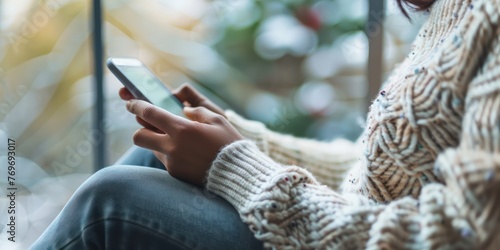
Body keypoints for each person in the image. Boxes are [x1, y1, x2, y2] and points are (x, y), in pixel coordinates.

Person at [32, 0, 500, 248]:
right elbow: (384, 174)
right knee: (150, 157)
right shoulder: (451, 9)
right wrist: (239, 136)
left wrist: (235, 166)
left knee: (113, 200)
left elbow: (464, 235)